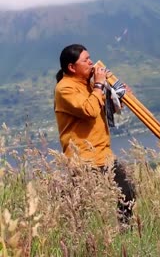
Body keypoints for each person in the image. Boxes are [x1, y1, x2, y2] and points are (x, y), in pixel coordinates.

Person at [54, 44, 135, 226]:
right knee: (81, 207)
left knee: (127, 193)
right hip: (83, 158)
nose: (91, 63)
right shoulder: (65, 89)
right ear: (72, 67)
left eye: (90, 58)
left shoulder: (88, 86)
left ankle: (126, 235)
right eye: (86, 60)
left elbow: (102, 108)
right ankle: (78, 244)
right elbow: (89, 110)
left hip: (103, 154)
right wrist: (99, 83)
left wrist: (120, 96)